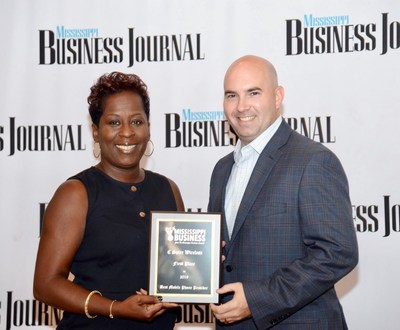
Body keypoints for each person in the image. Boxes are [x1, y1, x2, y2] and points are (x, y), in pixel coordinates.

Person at [208, 55, 358, 329]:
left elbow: (337, 253)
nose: (241, 106)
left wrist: (256, 299)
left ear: (278, 97)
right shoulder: (221, 169)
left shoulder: (312, 160)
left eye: (253, 92)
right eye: (232, 95)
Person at [33, 72, 184, 329]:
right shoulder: (76, 193)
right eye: (114, 122)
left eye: (137, 122)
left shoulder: (168, 189)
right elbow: (45, 286)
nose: (127, 133)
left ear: (148, 127)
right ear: (95, 131)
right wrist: (115, 308)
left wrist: (208, 263)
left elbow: (181, 269)